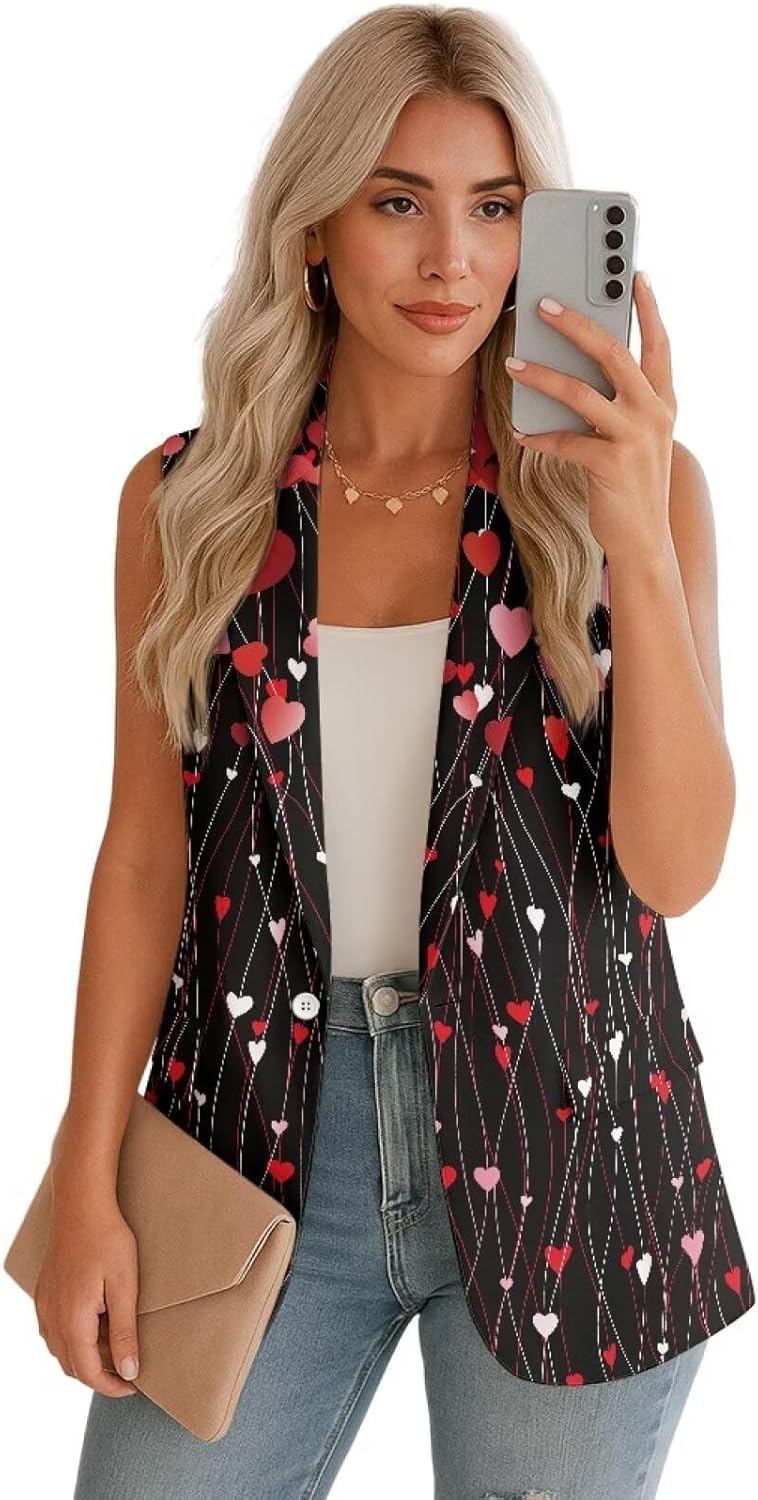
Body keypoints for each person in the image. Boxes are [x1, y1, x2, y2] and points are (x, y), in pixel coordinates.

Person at [31, 6, 752, 1498]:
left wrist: (629, 528)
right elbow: (142, 859)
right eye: (398, 203)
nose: (452, 263)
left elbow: (676, 870)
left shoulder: (635, 496)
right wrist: (82, 1173)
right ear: (314, 228)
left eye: (496, 208)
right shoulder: (188, 506)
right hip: (254, 1145)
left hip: (576, 1150)